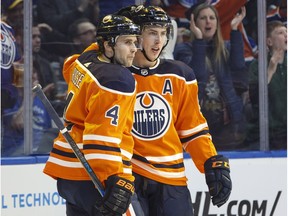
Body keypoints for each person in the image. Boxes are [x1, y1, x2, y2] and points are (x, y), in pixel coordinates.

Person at [116, 5, 232, 215]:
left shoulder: (180, 74)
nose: (159, 41)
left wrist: (210, 162)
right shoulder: (113, 76)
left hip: (171, 180)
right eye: (152, 33)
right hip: (127, 177)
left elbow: (192, 128)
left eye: (163, 33)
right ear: (134, 36)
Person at [43, 14, 142, 216]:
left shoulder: (85, 60)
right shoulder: (117, 79)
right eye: (127, 42)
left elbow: (67, 68)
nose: (134, 49)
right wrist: (116, 181)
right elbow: (101, 136)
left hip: (69, 173)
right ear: (107, 45)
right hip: (94, 175)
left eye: (135, 42)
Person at [174, 3, 247, 150]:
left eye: (212, 18)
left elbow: (238, 66)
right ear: (194, 23)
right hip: (197, 125)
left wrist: (234, 30)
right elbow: (196, 74)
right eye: (203, 18)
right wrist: (199, 41)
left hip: (226, 125)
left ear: (217, 23)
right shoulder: (183, 50)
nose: (208, 21)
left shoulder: (225, 48)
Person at [247, 20, 287, 150]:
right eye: (280, 33)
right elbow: (255, 98)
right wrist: (270, 69)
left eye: (286, 32)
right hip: (268, 134)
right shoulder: (257, 66)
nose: (286, 35)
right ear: (269, 41)